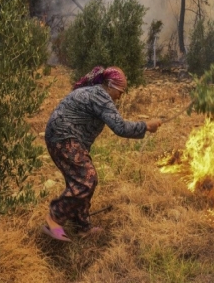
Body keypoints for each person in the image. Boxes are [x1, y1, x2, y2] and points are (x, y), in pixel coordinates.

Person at [42, 66, 162, 241]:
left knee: (80, 181)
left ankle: (82, 226)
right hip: (63, 138)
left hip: (58, 137)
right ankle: (54, 218)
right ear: (111, 85)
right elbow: (120, 127)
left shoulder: (94, 93)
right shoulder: (101, 96)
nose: (121, 95)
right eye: (120, 91)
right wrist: (146, 126)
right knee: (87, 179)